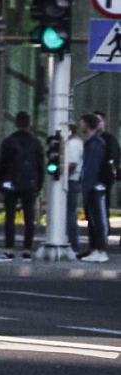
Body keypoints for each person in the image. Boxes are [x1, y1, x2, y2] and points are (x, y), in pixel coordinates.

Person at [0, 111, 45, 260]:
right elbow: (40, 167)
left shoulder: (9, 142)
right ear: (29, 124)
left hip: (11, 184)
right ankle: (27, 250)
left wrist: (1, 185)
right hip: (29, 184)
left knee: (10, 217)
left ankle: (9, 249)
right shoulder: (36, 143)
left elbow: (2, 165)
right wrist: (38, 186)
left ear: (16, 123)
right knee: (29, 218)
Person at [81, 112, 113, 263]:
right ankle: (96, 249)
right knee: (95, 219)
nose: (81, 125)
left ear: (87, 124)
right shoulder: (95, 142)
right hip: (95, 185)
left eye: (83, 123)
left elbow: (91, 167)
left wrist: (86, 184)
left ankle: (100, 250)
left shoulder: (95, 143)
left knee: (97, 219)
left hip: (95, 186)